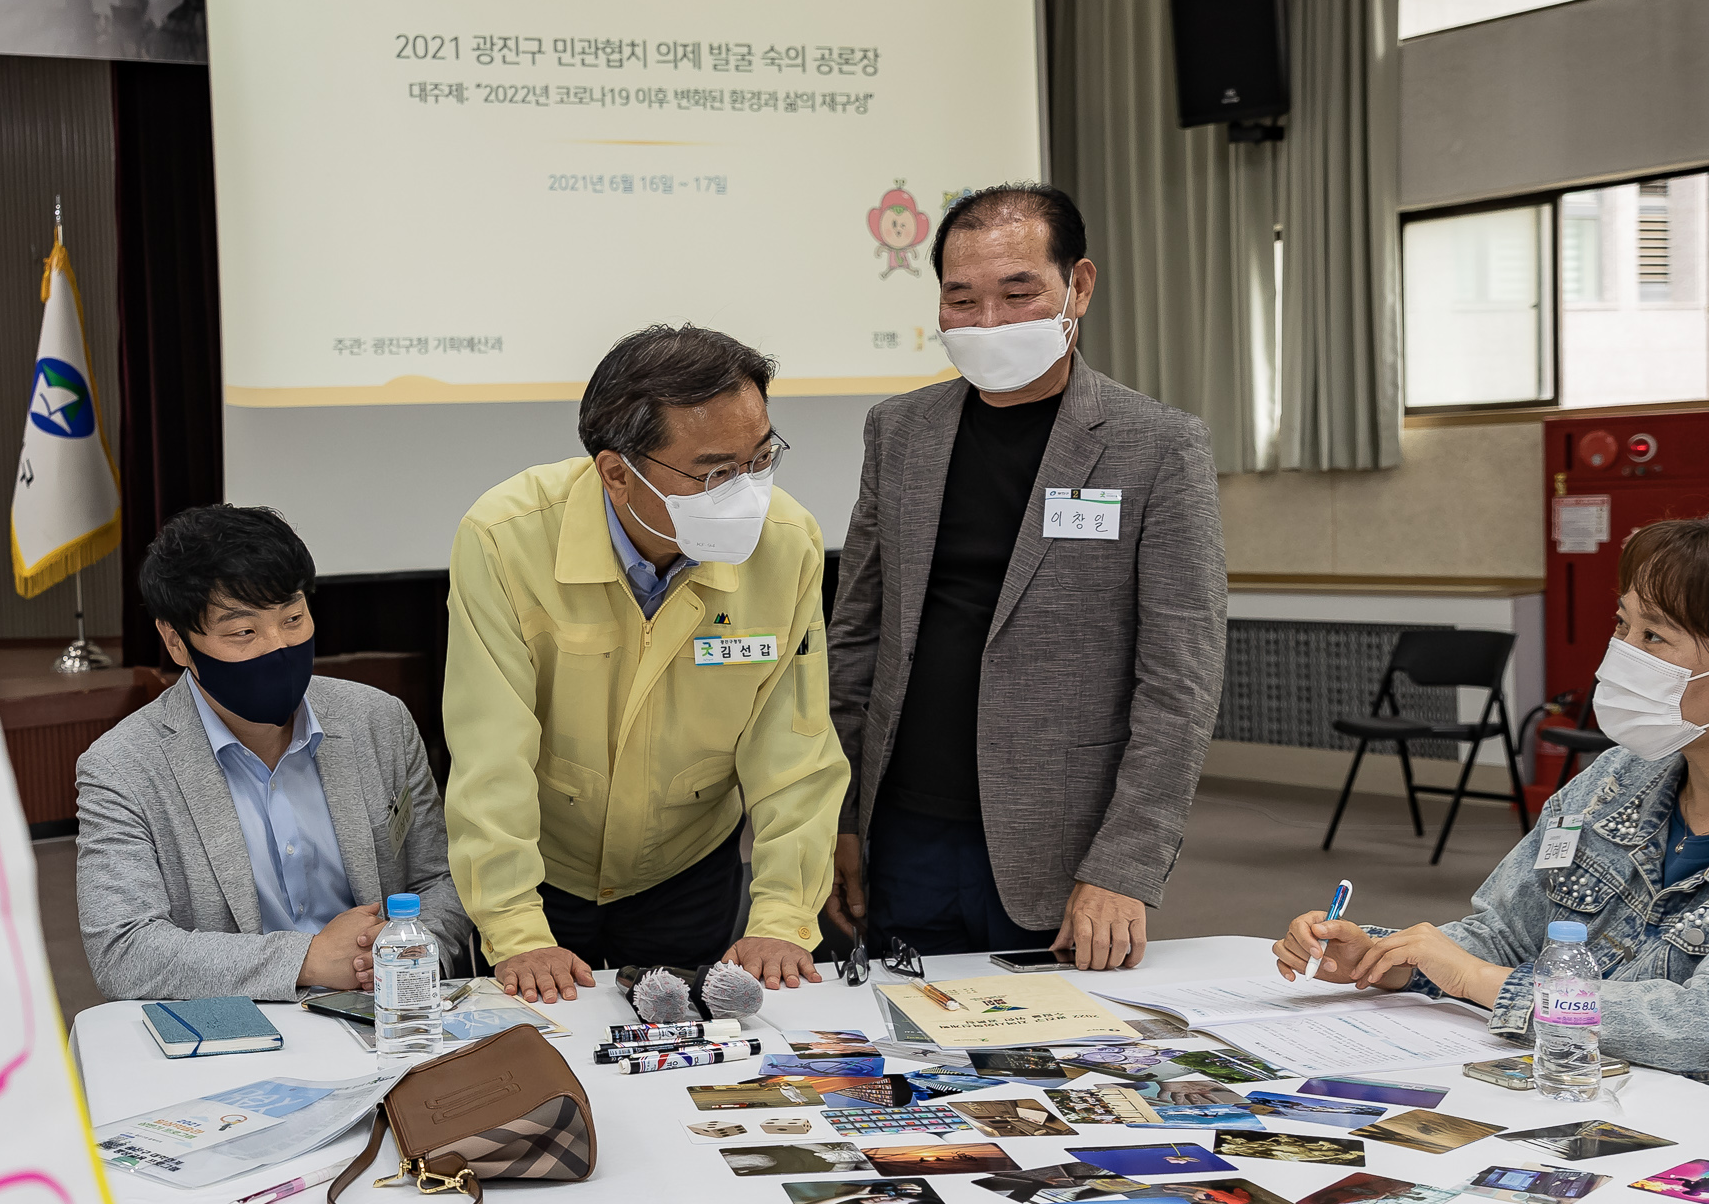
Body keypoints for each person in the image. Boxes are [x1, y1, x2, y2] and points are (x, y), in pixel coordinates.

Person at [827, 184, 1226, 970]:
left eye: (1018, 295)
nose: (989, 324)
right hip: (903, 832)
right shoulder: (899, 431)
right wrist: (835, 816)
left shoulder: (1159, 446)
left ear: (1077, 286)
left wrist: (1123, 866)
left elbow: (1180, 681)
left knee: (1047, 1074)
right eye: (962, 300)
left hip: (1062, 852)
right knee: (906, 1060)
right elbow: (858, 636)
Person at [445, 324, 847, 1003]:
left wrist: (781, 918)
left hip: (687, 868)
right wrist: (517, 929)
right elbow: (492, 753)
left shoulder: (787, 542)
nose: (747, 490)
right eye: (717, 471)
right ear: (616, 472)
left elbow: (796, 751)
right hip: (543, 865)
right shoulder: (505, 537)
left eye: (760, 459)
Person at [1274, 520, 1709, 1079]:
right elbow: (1506, 932)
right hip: (1577, 1088)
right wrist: (1390, 959)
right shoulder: (1616, 779)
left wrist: (1480, 982)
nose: (1620, 655)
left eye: (1653, 637)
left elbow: (1695, 1029)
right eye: (1622, 624)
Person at [76, 504, 466, 1001]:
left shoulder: (378, 720)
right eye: (243, 632)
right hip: (238, 1031)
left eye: (293, 618)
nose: (277, 645)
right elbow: (124, 949)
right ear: (176, 641)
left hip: (386, 1010)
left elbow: (440, 877)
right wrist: (307, 960)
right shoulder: (123, 767)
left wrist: (406, 953)